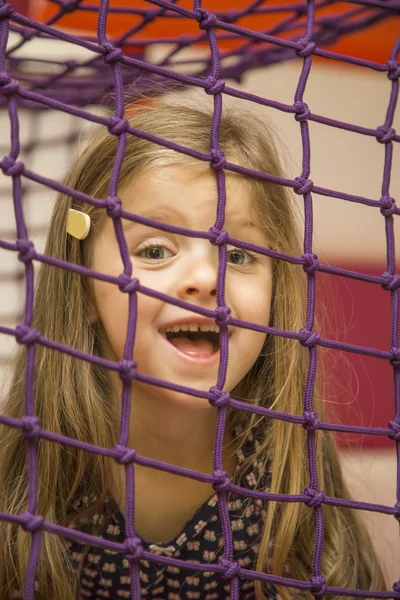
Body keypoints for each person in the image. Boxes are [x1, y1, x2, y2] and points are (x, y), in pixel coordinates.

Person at [0, 92, 386, 600]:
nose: (206, 278)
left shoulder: (291, 477)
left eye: (241, 254)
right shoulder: (35, 470)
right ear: (82, 286)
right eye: (156, 250)